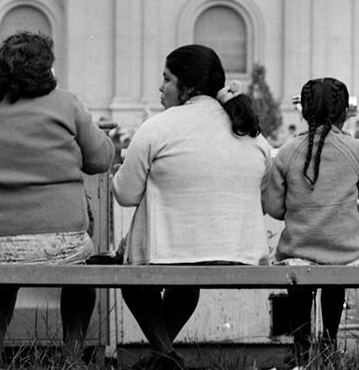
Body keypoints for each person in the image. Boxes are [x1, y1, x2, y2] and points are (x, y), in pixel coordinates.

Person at [0, 31, 114, 369]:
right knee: (82, 272)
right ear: (46, 68)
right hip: (62, 242)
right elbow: (100, 161)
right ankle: (72, 356)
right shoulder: (66, 103)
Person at [112, 44, 271, 370]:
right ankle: (161, 358)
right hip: (239, 255)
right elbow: (264, 195)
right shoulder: (252, 134)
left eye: (166, 78)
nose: (160, 87)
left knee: (133, 276)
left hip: (173, 257)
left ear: (187, 86)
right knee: (185, 275)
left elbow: (125, 194)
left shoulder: (159, 127)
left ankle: (164, 355)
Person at [263, 77, 359, 367]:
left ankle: (301, 349)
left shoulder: (289, 151)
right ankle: (329, 344)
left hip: (298, 251)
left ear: (302, 111)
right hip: (347, 252)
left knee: (299, 278)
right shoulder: (355, 149)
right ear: (345, 113)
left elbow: (273, 206)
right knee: (334, 274)